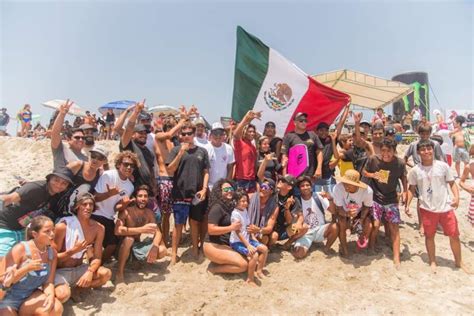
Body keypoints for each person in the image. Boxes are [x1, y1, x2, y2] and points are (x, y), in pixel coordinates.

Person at [406, 139, 466, 273]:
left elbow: (451, 183)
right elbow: (411, 188)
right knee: (429, 236)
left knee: (454, 235)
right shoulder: (415, 170)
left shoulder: (443, 166)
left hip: (445, 206)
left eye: (429, 149)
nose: (426, 152)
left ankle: (459, 261)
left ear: (433, 150)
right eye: (423, 150)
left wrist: (456, 197)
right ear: (418, 152)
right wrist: (407, 205)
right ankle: (432, 261)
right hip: (427, 208)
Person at [53, 193, 111, 303]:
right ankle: (65, 290)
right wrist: (73, 251)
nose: (88, 207)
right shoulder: (63, 226)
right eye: (84, 204)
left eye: (91, 205)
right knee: (62, 296)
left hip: (79, 268)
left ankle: (77, 289)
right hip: (61, 271)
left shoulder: (99, 228)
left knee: (105, 274)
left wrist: (90, 271)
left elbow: (97, 257)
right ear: (77, 207)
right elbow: (53, 257)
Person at [0, 216, 63, 315]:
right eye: (47, 231)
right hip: (7, 298)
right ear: (34, 234)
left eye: (53, 230)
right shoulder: (20, 249)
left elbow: (48, 282)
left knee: (55, 308)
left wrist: (50, 295)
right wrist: (26, 269)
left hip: (30, 295)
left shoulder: (52, 253)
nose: (52, 234)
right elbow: (4, 281)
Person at [166, 122, 210, 264]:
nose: (186, 136)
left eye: (189, 134)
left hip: (196, 194)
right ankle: (174, 253)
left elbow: (206, 172)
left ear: (194, 134)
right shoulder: (175, 150)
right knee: (178, 225)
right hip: (180, 193)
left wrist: (204, 189)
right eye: (183, 134)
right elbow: (170, 170)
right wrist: (180, 153)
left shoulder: (202, 151)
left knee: (195, 223)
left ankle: (195, 250)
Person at [0, 172, 72, 258]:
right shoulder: (36, 188)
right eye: (56, 180)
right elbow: (7, 198)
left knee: (23, 259)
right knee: (3, 259)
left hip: (23, 230)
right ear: (49, 179)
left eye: (64, 183)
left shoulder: (56, 197)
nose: (59, 185)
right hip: (4, 225)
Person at [364, 139, 407, 267]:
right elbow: (364, 172)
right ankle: (371, 247)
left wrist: (404, 192)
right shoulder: (373, 160)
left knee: (394, 228)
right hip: (376, 197)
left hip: (391, 198)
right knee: (376, 225)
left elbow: (403, 177)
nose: (385, 154)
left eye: (389, 151)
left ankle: (396, 257)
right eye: (383, 150)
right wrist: (374, 175)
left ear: (394, 151)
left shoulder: (400, 163)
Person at [115, 185, 167, 284]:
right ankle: (119, 273)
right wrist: (141, 229)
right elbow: (117, 230)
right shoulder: (126, 212)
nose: (143, 199)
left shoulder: (149, 213)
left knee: (162, 250)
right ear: (135, 198)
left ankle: (138, 262)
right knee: (128, 239)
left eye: (145, 196)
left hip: (138, 247)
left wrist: (155, 247)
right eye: (140, 196)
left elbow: (158, 232)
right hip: (123, 248)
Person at [92, 151, 136, 262]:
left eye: (132, 165)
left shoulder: (130, 187)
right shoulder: (108, 175)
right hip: (94, 214)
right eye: (126, 164)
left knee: (112, 245)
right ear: (118, 165)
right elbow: (95, 198)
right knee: (91, 244)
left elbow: (116, 207)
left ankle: (99, 265)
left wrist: (123, 205)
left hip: (109, 217)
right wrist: (109, 194)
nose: (129, 167)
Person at [154, 107, 189, 246]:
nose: (172, 128)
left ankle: (169, 239)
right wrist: (181, 121)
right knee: (165, 215)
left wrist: (184, 119)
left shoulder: (176, 142)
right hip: (164, 179)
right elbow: (168, 134)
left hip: (174, 180)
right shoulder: (159, 137)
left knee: (173, 214)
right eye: (169, 125)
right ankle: (163, 241)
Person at [404, 123, 446, 236]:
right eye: (422, 133)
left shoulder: (435, 144)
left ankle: (435, 221)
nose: (425, 136)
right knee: (420, 200)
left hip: (433, 174)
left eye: (427, 133)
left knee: (435, 198)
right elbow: (405, 157)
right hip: (419, 175)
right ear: (419, 133)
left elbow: (441, 160)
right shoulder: (414, 145)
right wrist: (412, 166)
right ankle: (421, 224)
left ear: (430, 133)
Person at [48, 146, 107, 221]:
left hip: (74, 214)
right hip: (55, 207)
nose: (95, 160)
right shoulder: (78, 165)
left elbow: (93, 195)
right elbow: (57, 179)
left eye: (100, 158)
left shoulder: (100, 174)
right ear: (89, 155)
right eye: (93, 156)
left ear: (105, 161)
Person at [203, 179, 248, 275]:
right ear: (219, 192)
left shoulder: (231, 205)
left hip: (226, 243)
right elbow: (211, 230)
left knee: (249, 258)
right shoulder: (217, 207)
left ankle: (221, 260)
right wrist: (231, 227)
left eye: (231, 188)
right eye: (226, 189)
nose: (229, 191)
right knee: (243, 265)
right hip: (212, 245)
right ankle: (213, 269)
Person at [291, 176, 338, 259]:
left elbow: (333, 211)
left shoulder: (318, 196)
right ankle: (301, 244)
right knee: (299, 254)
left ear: (311, 186)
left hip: (320, 230)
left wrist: (330, 199)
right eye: (302, 186)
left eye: (307, 185)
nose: (305, 187)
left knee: (335, 226)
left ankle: (326, 248)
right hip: (305, 233)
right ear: (299, 188)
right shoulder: (297, 200)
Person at [229, 190, 268, 286]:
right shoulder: (235, 214)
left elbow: (248, 225)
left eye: (246, 201)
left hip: (247, 239)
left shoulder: (245, 210)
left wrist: (253, 236)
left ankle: (259, 271)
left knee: (264, 249)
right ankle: (250, 279)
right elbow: (238, 232)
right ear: (236, 201)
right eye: (242, 201)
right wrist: (248, 245)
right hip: (237, 242)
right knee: (254, 255)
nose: (245, 203)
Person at [333, 170, 373, 257]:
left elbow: (366, 206)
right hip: (344, 210)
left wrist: (361, 219)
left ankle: (360, 246)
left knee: (368, 225)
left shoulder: (367, 191)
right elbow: (339, 209)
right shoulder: (338, 188)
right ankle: (344, 248)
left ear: (356, 184)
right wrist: (348, 214)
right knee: (341, 222)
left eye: (349, 183)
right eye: (345, 182)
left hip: (360, 211)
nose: (345, 185)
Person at [120, 100, 157, 195]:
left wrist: (154, 187)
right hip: (132, 191)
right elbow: (128, 128)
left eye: (145, 133)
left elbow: (151, 171)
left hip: (147, 193)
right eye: (140, 133)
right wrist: (136, 112)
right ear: (132, 135)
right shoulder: (129, 146)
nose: (144, 135)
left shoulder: (149, 152)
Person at [281, 112, 323, 185]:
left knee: (309, 196)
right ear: (294, 122)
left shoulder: (312, 134)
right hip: (294, 176)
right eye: (301, 121)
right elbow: (284, 156)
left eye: (305, 121)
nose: (304, 122)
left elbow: (319, 152)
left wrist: (319, 168)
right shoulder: (288, 136)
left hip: (310, 175)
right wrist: (285, 175)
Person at [50, 100, 88, 169]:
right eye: (77, 137)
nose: (81, 140)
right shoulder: (61, 151)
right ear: (68, 139)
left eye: (83, 138)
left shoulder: (86, 159)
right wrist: (62, 114)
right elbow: (55, 133)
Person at [272, 175, 304, 249]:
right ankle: (270, 246)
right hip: (272, 230)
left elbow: (292, 219)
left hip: (284, 230)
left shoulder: (293, 199)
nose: (280, 181)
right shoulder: (272, 196)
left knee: (304, 227)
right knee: (273, 237)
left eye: (283, 181)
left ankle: (286, 245)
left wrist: (287, 208)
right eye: (280, 180)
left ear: (289, 187)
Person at [233, 110, 259, 193]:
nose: (252, 133)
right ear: (244, 132)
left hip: (252, 180)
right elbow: (236, 134)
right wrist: (246, 118)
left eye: (253, 132)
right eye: (250, 131)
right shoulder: (239, 143)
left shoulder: (253, 147)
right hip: (241, 179)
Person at [204, 122, 235, 191]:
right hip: (209, 186)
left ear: (224, 135)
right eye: (215, 133)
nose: (218, 136)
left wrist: (227, 184)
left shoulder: (229, 148)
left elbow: (230, 168)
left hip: (223, 187)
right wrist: (205, 187)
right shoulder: (205, 149)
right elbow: (204, 170)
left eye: (220, 133)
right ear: (211, 135)